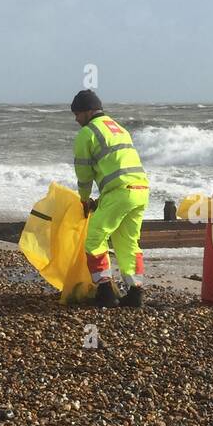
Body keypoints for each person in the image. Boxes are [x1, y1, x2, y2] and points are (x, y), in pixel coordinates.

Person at [70, 89, 148, 308]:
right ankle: (135, 293)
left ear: (87, 111)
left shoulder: (87, 133)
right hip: (141, 189)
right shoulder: (119, 129)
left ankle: (105, 291)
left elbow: (83, 174)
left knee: (95, 238)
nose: (76, 119)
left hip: (120, 192)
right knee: (128, 242)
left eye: (77, 114)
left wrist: (85, 199)